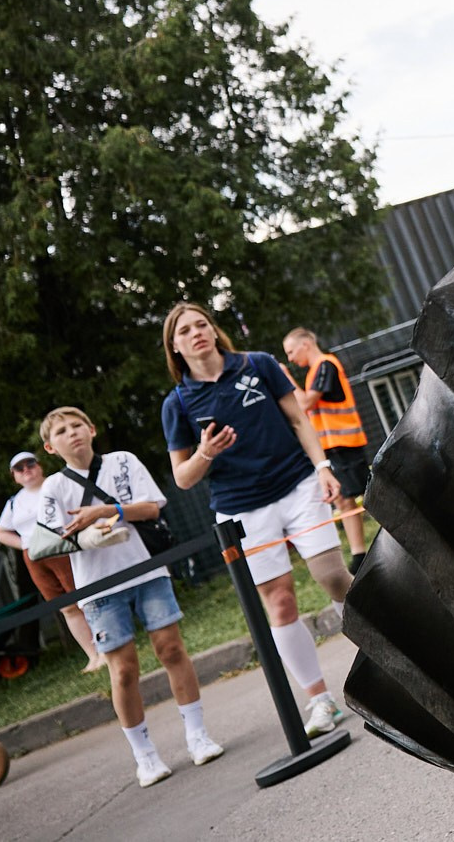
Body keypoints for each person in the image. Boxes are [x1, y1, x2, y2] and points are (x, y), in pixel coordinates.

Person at [160, 303, 352, 738]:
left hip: (299, 484)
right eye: (185, 330)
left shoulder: (258, 364)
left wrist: (323, 467)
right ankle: (320, 700)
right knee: (280, 602)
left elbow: (299, 418)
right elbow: (183, 478)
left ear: (213, 330)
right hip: (241, 508)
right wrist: (206, 453)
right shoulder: (177, 403)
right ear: (175, 346)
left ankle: (395, 660)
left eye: (201, 325)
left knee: (332, 576)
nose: (196, 334)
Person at [35, 407, 222, 786]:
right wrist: (86, 531)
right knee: (123, 670)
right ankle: (145, 756)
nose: (72, 434)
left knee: (171, 649)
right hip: (98, 587)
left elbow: (152, 507)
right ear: (49, 447)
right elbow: (48, 539)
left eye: (77, 426)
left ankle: (197, 735)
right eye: (61, 432)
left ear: (91, 429)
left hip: (146, 569)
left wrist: (109, 511)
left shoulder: (122, 461)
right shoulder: (53, 488)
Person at [0, 451, 104, 672]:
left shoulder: (56, 485)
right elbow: (1, 532)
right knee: (66, 607)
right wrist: (25, 543)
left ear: (39, 465)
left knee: (85, 599)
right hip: (35, 557)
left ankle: (106, 649)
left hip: (62, 548)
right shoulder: (14, 502)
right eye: (19, 468)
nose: (26, 470)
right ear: (13, 475)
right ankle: (92, 656)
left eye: (30, 464)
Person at [283, 328, 371, 575]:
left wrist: (286, 379)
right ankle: (359, 555)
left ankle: (380, 545)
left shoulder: (325, 364)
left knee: (361, 496)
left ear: (306, 344)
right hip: (331, 446)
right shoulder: (315, 371)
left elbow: (305, 403)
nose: (290, 358)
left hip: (344, 443)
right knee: (345, 500)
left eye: (291, 351)